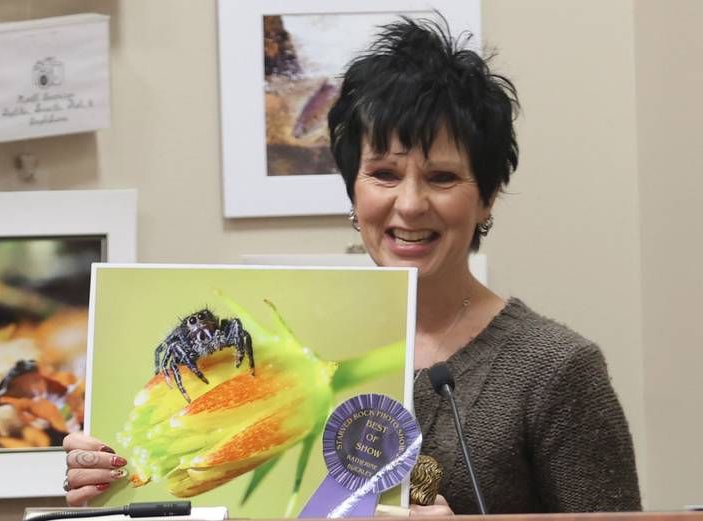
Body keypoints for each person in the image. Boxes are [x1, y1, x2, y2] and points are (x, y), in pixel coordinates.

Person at [63, 15, 641, 514]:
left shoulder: (558, 372)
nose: (409, 204)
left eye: (442, 177)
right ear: (352, 191)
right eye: (384, 175)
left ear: (487, 197)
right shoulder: (284, 349)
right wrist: (110, 484)